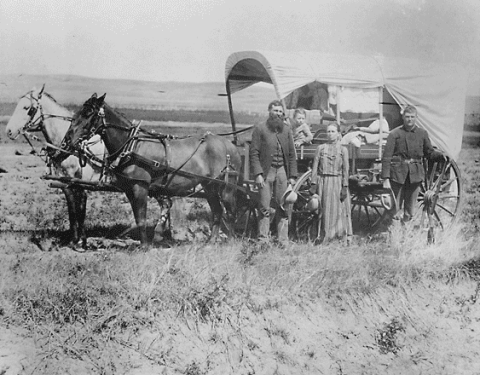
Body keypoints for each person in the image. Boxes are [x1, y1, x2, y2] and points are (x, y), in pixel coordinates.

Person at [381, 105, 445, 222]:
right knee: (394, 208)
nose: (409, 119)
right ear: (403, 117)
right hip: (397, 175)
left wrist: (441, 155)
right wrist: (385, 178)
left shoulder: (422, 133)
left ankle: (406, 231)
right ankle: (394, 233)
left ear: (416, 118)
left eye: (412, 117)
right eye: (407, 117)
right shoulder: (395, 134)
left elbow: (429, 153)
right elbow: (386, 157)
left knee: (410, 210)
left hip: (415, 175)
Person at [250, 100, 297, 245]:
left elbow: (291, 155)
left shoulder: (286, 130)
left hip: (282, 171)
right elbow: (254, 153)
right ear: (269, 111)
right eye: (275, 110)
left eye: (280, 111)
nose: (278, 114)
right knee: (264, 206)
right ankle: (263, 240)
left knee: (283, 206)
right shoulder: (260, 128)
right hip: (266, 172)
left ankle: (283, 240)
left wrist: (293, 176)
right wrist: (258, 174)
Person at [309, 123, 352, 244]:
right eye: (328, 131)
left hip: (337, 182)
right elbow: (315, 167)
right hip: (324, 182)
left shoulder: (343, 150)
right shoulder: (321, 148)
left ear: (338, 133)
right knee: (325, 210)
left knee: (339, 210)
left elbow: (345, 170)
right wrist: (313, 183)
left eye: (333, 131)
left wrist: (345, 186)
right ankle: (324, 236)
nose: (330, 134)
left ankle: (340, 237)